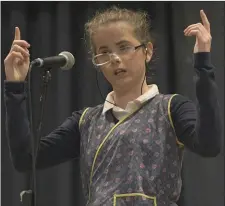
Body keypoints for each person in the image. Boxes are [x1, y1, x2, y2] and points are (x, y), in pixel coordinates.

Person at [4, 6, 221, 206]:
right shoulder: (86, 121)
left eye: (124, 47)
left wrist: (202, 62)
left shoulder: (170, 108)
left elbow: (209, 145)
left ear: (147, 51)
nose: (115, 58)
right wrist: (15, 86)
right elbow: (26, 159)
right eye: (104, 52)